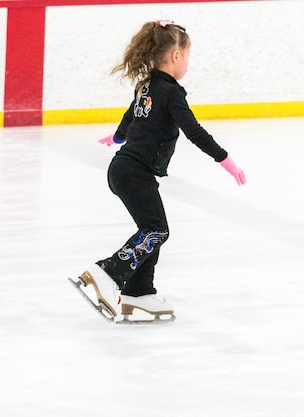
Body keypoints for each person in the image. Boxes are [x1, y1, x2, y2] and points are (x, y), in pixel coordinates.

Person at [78, 20, 246, 320]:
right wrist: (225, 160)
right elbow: (194, 131)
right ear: (176, 56)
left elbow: (130, 118)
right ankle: (107, 272)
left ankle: (139, 292)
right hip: (135, 172)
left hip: (123, 169)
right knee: (156, 231)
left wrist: (116, 138)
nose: (189, 62)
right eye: (189, 55)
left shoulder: (146, 86)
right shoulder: (171, 93)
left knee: (151, 229)